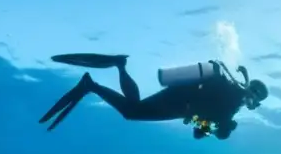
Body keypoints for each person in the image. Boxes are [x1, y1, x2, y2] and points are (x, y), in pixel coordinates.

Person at [38, 53, 269, 140]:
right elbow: (200, 128)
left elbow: (198, 132)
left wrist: (206, 124)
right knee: (132, 111)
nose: (252, 103)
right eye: (254, 99)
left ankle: (103, 77)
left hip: (179, 103)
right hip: (178, 102)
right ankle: (103, 77)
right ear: (253, 95)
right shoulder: (230, 103)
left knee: (133, 110)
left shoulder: (229, 108)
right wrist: (214, 125)